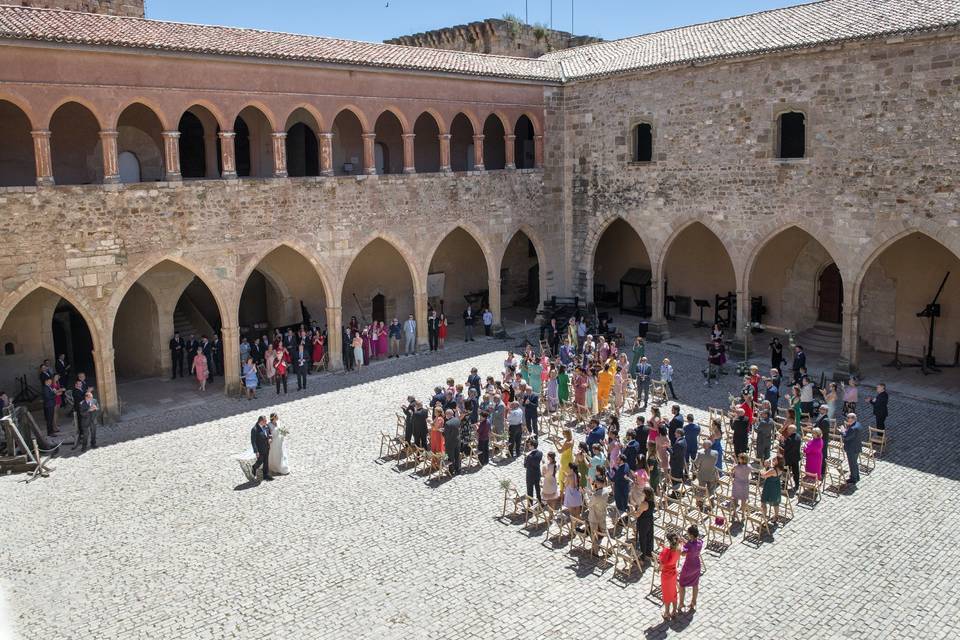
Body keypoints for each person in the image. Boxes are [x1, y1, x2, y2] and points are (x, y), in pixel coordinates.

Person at [678, 525, 703, 613]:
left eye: (688, 534)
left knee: (682, 584)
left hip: (688, 566)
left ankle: (681, 603)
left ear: (691, 535)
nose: (687, 535)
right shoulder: (700, 542)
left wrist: (681, 545)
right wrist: (684, 542)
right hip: (697, 565)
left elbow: (683, 553)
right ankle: (693, 602)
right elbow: (691, 545)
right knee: (695, 584)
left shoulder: (688, 545)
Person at [659, 533, 681, 620]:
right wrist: (664, 547)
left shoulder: (666, 551)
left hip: (666, 575)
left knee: (666, 594)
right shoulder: (678, 549)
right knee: (673, 592)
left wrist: (658, 569)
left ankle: (666, 613)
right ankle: (674, 611)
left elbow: (662, 564)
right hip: (673, 573)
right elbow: (671, 551)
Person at [841, 413, 863, 484]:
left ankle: (853, 479)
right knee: (855, 463)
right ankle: (857, 476)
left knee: (852, 464)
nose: (847, 419)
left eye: (848, 418)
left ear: (852, 419)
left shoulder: (853, 428)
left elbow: (846, 437)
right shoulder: (858, 424)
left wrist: (843, 431)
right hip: (857, 447)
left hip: (851, 449)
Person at [250, 416, 273, 482]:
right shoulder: (255, 429)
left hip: (267, 447)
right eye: (265, 421)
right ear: (261, 421)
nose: (266, 422)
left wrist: (270, 438)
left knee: (266, 461)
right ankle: (254, 467)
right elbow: (253, 441)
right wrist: (256, 451)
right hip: (260, 449)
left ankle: (266, 475)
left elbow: (269, 433)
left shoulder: (266, 426)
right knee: (260, 461)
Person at [782, 423, 802, 493]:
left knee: (785, 471)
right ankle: (797, 484)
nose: (787, 430)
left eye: (788, 429)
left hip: (788, 458)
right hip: (795, 457)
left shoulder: (789, 439)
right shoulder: (799, 436)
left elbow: (784, 447)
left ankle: (784, 484)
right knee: (796, 471)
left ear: (791, 430)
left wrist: (782, 441)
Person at [731, 453, 751, 521]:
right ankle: (743, 514)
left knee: (735, 499)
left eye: (739, 458)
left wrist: (734, 462)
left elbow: (732, 471)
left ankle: (734, 513)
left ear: (742, 459)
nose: (738, 459)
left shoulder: (736, 467)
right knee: (743, 500)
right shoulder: (749, 467)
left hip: (737, 484)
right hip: (745, 484)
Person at [524, 438, 543, 503]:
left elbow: (525, 465)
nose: (528, 446)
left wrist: (525, 457)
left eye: (529, 445)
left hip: (530, 475)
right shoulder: (540, 453)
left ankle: (530, 505)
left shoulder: (529, 456)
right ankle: (539, 502)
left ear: (532, 446)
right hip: (537, 473)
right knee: (538, 489)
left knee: (530, 490)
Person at [443, 409, 461, 475]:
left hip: (450, 443)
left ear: (448, 414)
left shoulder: (447, 423)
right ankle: (458, 469)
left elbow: (446, 435)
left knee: (450, 457)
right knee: (457, 455)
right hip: (457, 440)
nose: (445, 416)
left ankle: (451, 470)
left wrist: (442, 432)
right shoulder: (457, 419)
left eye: (446, 414)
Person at [557, 428, 574, 493]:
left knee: (562, 476)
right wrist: (558, 443)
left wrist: (555, 443)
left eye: (563, 433)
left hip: (565, 461)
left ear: (566, 434)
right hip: (570, 458)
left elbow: (560, 451)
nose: (562, 434)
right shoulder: (572, 440)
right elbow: (565, 448)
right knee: (569, 473)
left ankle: (562, 491)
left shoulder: (567, 442)